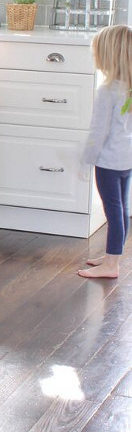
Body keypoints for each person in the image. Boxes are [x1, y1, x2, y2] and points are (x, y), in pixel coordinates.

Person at [77, 24, 132, 279]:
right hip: (127, 159)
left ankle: (111, 265)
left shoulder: (107, 91)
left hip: (109, 161)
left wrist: (86, 161)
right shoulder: (128, 89)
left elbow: (98, 132)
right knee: (121, 208)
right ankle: (114, 254)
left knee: (113, 210)